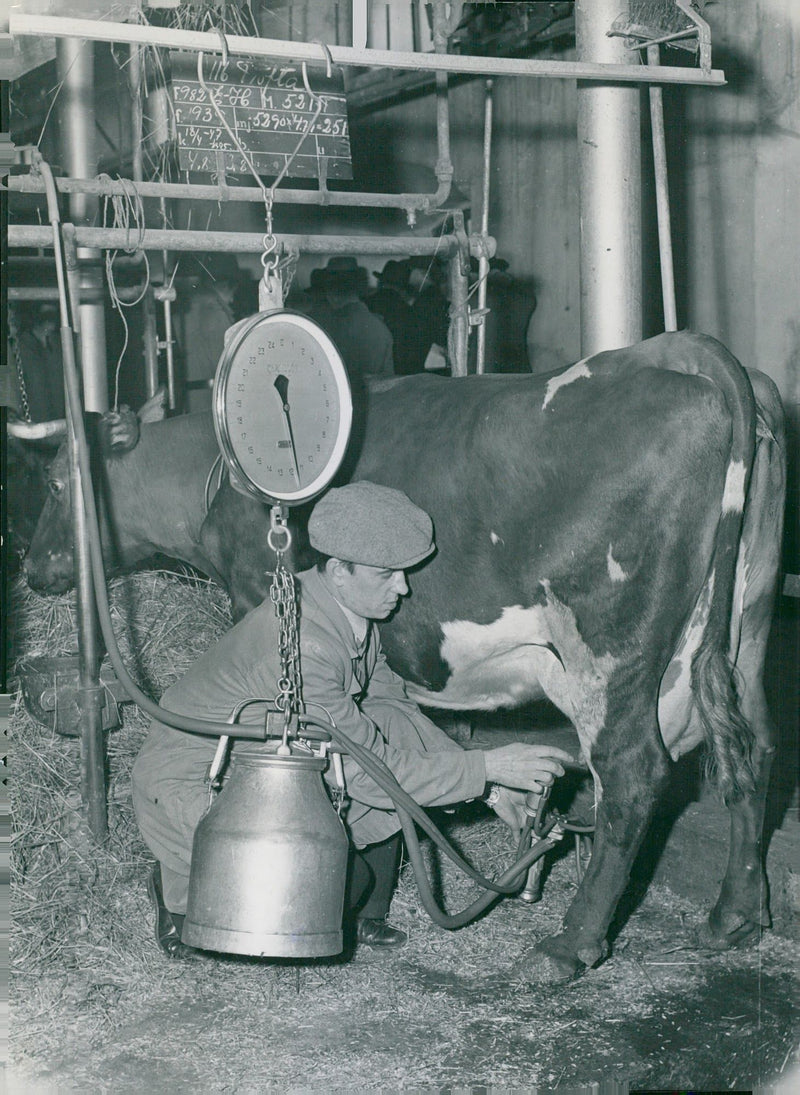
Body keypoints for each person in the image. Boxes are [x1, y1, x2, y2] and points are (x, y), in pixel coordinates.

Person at [132, 482, 573, 959]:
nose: (402, 588)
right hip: (199, 781)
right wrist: (487, 768)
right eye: (386, 574)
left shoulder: (349, 613)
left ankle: (360, 911)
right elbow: (370, 773)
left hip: (271, 761)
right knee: (292, 897)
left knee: (382, 736)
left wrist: (490, 789)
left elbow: (395, 712)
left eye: (403, 572)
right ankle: (174, 885)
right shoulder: (308, 644)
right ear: (340, 571)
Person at [307, 256, 395, 383]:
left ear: (330, 293)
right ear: (359, 288)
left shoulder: (321, 327)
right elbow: (389, 383)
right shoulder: (380, 328)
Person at [7, 301, 65, 423]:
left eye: (53, 314)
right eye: (46, 314)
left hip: (61, 428)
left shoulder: (60, 344)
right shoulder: (20, 346)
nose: (50, 320)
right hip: (31, 429)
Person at [367, 260, 421, 376]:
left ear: (380, 282)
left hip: (367, 375)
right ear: (403, 288)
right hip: (399, 378)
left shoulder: (366, 304)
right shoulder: (410, 311)